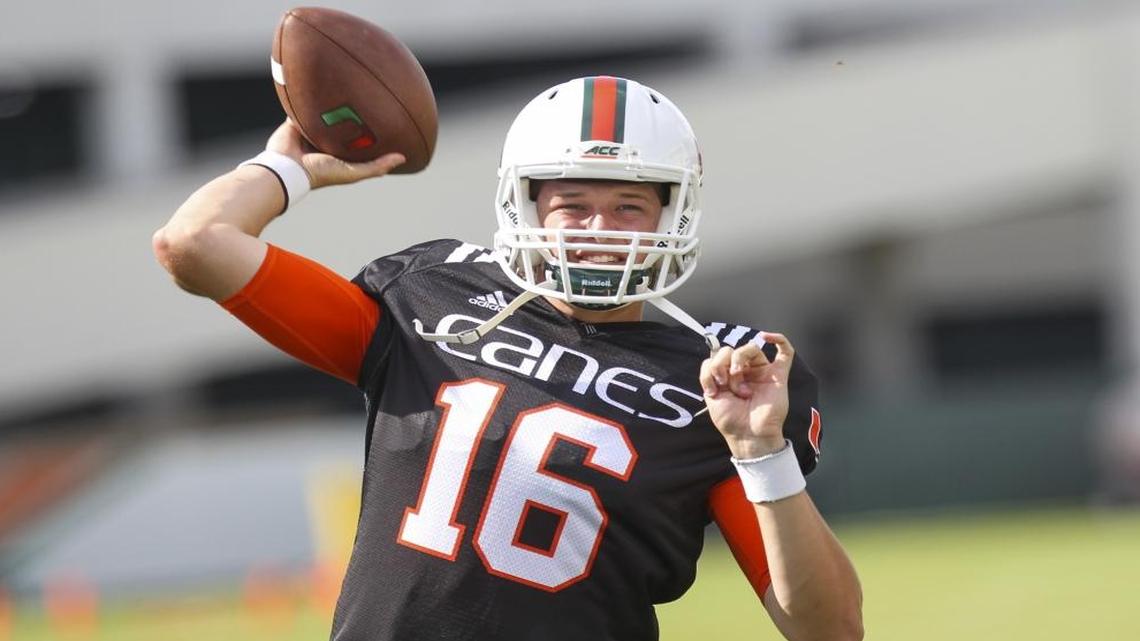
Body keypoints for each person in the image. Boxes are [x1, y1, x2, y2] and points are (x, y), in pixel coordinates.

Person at [153, 76, 862, 641]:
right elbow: (194, 243)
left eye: (628, 206)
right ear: (524, 203)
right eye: (572, 202)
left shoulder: (715, 377)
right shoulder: (428, 298)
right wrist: (288, 168)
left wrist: (759, 449)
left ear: (674, 214)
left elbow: (830, 631)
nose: (598, 230)